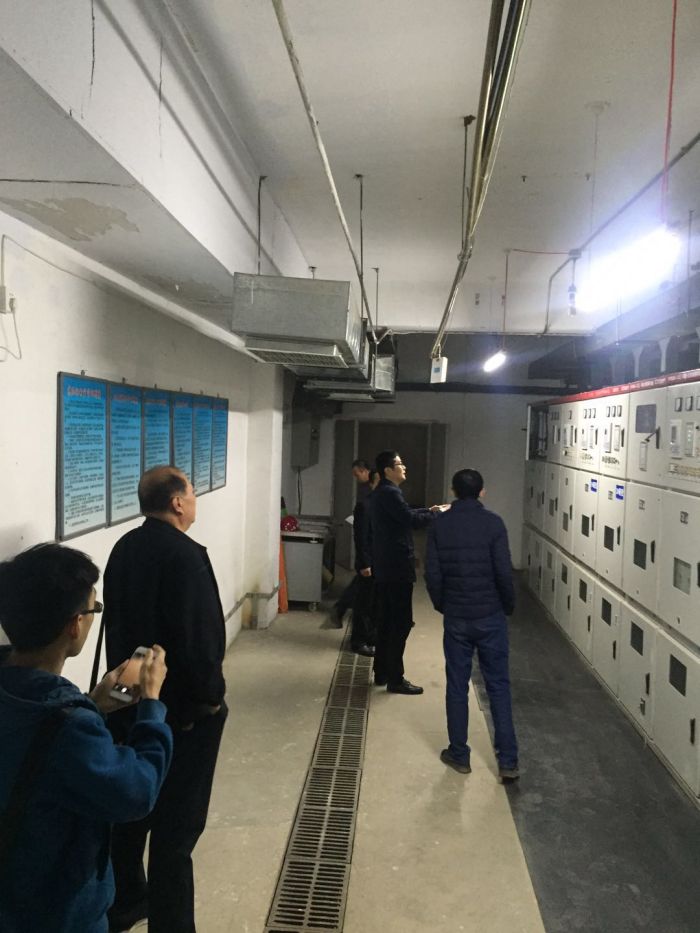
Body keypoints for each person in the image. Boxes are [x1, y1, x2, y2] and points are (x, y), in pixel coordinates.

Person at [0, 543, 172, 933]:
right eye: (94, 609)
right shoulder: (71, 728)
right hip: (53, 912)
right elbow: (136, 791)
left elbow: (35, 750)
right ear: (75, 625)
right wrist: (151, 704)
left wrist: (91, 703)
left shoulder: (46, 710)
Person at [103, 466, 228, 933]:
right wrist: (210, 702)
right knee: (177, 830)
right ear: (177, 502)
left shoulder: (124, 547)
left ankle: (126, 901)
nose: (194, 500)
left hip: (127, 701)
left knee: (131, 814)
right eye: (191, 492)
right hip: (182, 713)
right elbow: (200, 642)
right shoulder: (187, 556)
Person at [425, 468, 519, 782]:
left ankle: (459, 754)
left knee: (457, 684)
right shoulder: (494, 523)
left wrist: (443, 604)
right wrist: (507, 605)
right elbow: (503, 571)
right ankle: (508, 761)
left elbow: (433, 573)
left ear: (453, 491)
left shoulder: (440, 525)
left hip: (457, 616)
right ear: (482, 492)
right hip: (490, 615)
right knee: (498, 686)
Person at [369, 450, 438, 695]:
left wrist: (430, 510)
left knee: (387, 621)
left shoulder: (384, 492)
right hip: (396, 567)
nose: (404, 467)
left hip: (387, 566)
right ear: (388, 470)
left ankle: (382, 672)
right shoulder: (390, 492)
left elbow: (405, 514)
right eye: (399, 464)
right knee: (400, 623)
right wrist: (435, 515)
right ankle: (395, 679)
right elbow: (410, 520)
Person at [331, 458, 373, 627]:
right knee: (363, 581)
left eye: (357, 474)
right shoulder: (367, 492)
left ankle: (341, 608)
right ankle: (341, 608)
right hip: (369, 546)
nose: (356, 478)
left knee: (362, 582)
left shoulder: (372, 489)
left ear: (364, 471)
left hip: (370, 545)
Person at [347, 469, 380, 656]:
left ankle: (371, 637)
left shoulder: (382, 504)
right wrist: (365, 563)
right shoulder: (365, 505)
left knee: (375, 603)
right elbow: (361, 538)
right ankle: (359, 641)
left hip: (380, 562)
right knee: (364, 604)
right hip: (369, 563)